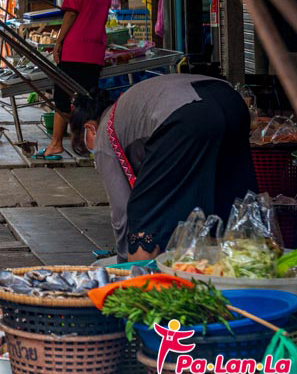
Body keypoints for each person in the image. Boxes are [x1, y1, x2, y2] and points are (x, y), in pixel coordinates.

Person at [70, 74, 254, 261]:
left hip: (187, 115)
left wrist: (123, 259)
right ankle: (241, 265)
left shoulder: (103, 134)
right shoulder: (128, 108)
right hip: (231, 102)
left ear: (90, 129)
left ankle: (139, 274)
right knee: (229, 203)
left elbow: (122, 211)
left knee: (143, 214)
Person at [38, 0, 110, 160]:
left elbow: (71, 14)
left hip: (75, 50)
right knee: (87, 99)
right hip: (95, 51)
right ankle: (90, 145)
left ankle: (56, 144)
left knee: (62, 97)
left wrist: (58, 42)